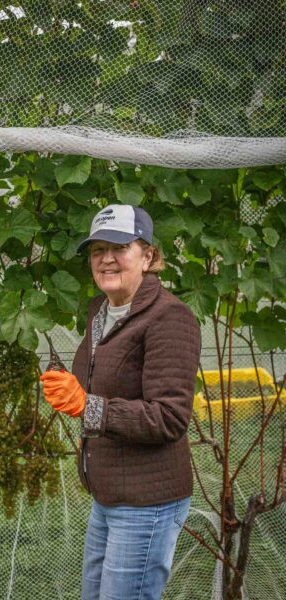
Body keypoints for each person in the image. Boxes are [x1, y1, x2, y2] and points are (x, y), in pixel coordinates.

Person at [40, 204, 201, 600]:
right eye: (97, 250)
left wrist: (88, 406)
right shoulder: (101, 311)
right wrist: (69, 385)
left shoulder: (170, 318)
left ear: (148, 256)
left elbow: (169, 417)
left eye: (119, 247)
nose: (106, 259)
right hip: (109, 494)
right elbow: (103, 381)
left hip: (146, 503)